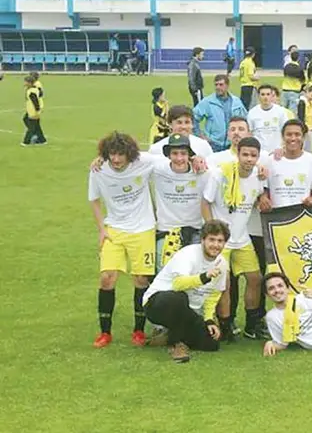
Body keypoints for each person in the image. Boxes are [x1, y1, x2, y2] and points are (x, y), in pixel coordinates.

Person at [89, 132, 166, 348]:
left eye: (120, 154)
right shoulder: (98, 169)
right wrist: (102, 229)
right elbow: (94, 200)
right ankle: (105, 332)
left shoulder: (143, 161)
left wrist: (195, 157)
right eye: (112, 154)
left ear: (129, 154)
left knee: (141, 280)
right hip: (114, 230)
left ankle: (139, 331)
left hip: (143, 230)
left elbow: (172, 157)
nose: (116, 159)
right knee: (107, 278)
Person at [201, 136, 267, 341]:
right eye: (245, 154)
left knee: (256, 279)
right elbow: (205, 203)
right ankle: (226, 325)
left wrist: (263, 199)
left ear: (258, 157)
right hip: (223, 241)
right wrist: (211, 233)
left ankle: (251, 324)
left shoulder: (258, 174)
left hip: (242, 238)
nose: (249, 159)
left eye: (253, 155)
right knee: (225, 283)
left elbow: (258, 196)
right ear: (237, 154)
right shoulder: (221, 174)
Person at [143, 220, 229, 363]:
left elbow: (213, 295)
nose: (215, 245)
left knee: (211, 344)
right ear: (202, 240)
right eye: (211, 240)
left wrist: (208, 320)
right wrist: (204, 277)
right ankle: (176, 344)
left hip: (187, 311)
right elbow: (178, 284)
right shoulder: (188, 254)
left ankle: (167, 336)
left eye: (220, 241)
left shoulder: (222, 263)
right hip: (157, 303)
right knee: (178, 298)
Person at [150, 133, 208, 273]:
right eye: (174, 153)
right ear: (168, 155)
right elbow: (130, 156)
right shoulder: (157, 169)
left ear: (190, 155)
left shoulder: (203, 172)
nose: (179, 158)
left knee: (195, 275)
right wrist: (102, 159)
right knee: (165, 274)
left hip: (195, 231)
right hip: (167, 231)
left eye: (183, 153)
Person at [263, 120, 312, 210]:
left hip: (303, 216)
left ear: (303, 137)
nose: (293, 138)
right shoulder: (270, 161)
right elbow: (264, 188)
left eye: (297, 134)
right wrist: (263, 198)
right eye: (289, 134)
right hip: (277, 217)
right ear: (282, 137)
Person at [193, 75, 248, 152]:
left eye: (221, 85)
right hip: (213, 144)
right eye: (216, 85)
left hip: (232, 144)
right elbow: (193, 118)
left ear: (227, 86)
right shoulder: (208, 102)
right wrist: (201, 136)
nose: (218, 87)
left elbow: (245, 120)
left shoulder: (236, 102)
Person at [248, 84, 294, 153]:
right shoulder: (252, 113)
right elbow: (249, 133)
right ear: (258, 96)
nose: (265, 97)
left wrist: (284, 147)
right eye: (262, 94)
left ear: (272, 96)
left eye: (268, 94)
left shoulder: (280, 111)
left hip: (277, 152)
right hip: (259, 153)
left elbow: (287, 130)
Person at [22, 74, 46, 146]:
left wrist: (37, 110)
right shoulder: (32, 89)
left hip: (33, 112)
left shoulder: (32, 91)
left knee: (32, 127)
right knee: (36, 126)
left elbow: (35, 102)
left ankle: (26, 142)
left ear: (29, 83)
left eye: (26, 82)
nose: (24, 83)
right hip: (31, 110)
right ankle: (42, 140)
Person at [298, 86, 312, 151]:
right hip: (306, 128)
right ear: (307, 92)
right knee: (306, 148)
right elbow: (301, 116)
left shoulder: (310, 102)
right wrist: (304, 128)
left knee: (309, 148)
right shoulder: (302, 102)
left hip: (310, 128)